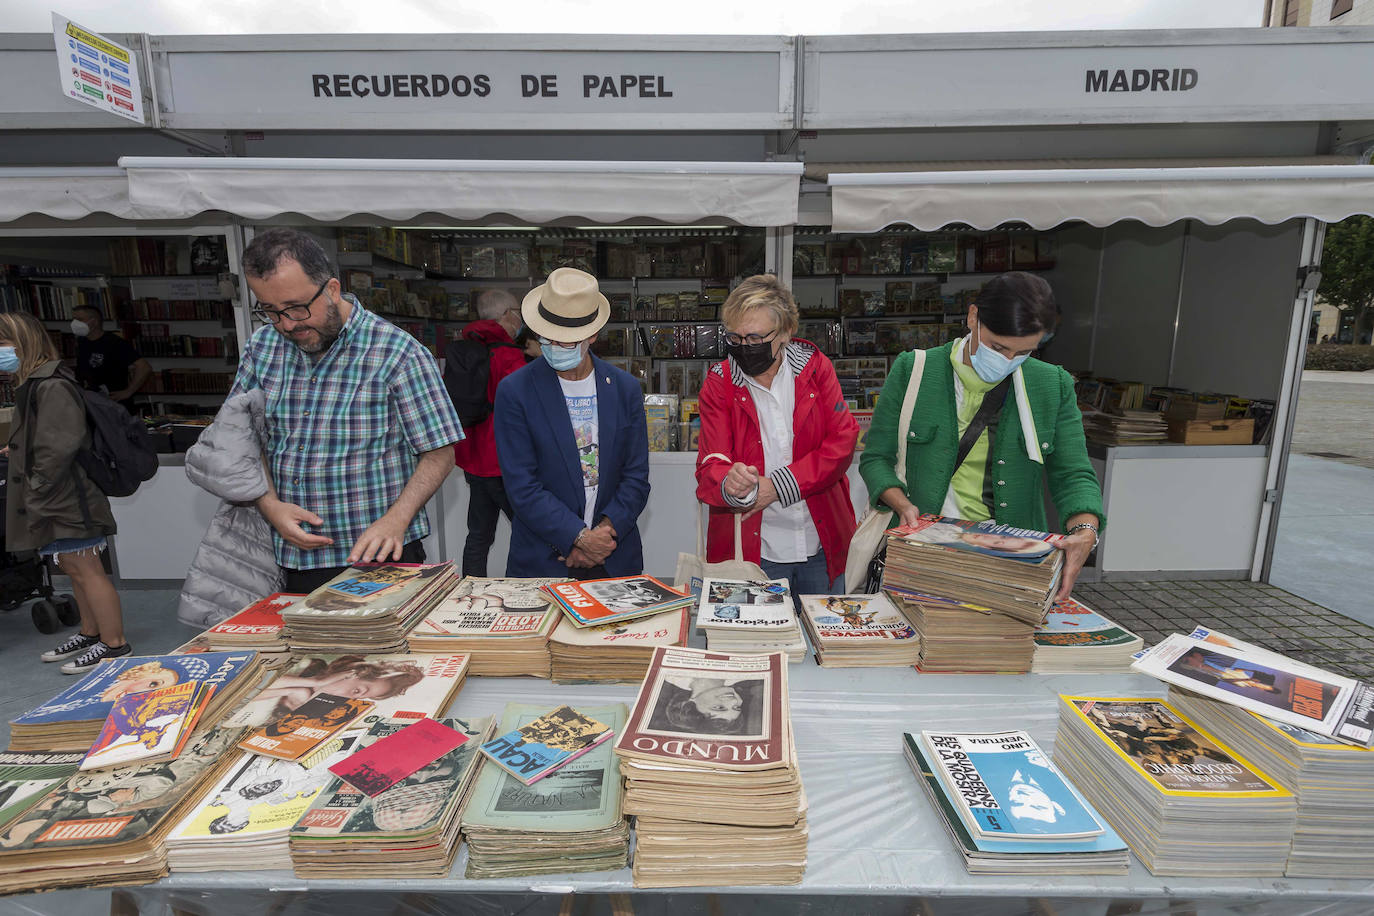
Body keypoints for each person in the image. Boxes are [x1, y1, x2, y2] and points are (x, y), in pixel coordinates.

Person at [230, 228, 464, 594]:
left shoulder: (398, 352)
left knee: (380, 652)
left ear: (333, 290)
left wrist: (395, 520)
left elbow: (440, 453)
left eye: (296, 307)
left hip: (379, 557)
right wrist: (270, 505)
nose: (288, 324)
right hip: (286, 555)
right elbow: (243, 439)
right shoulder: (262, 346)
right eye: (271, 311)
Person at [860, 272, 1104, 599]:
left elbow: (1073, 473)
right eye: (998, 347)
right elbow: (877, 457)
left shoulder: (1051, 385)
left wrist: (1085, 531)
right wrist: (901, 504)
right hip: (922, 554)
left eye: (1023, 353)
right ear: (973, 317)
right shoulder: (915, 370)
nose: (1007, 362)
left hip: (1013, 563)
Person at [695, 275, 860, 594]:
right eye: (736, 338)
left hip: (821, 543)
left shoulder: (815, 369)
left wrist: (779, 486)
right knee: (755, 644)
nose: (744, 348)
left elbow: (842, 442)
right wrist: (730, 481)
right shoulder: (720, 384)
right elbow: (710, 467)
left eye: (755, 338)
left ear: (786, 332)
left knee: (823, 640)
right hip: (753, 553)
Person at [493, 267, 650, 579]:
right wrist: (578, 538)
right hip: (543, 560)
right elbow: (522, 486)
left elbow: (636, 477)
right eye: (545, 337)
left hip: (613, 558)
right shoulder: (515, 391)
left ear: (592, 335)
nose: (551, 346)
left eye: (564, 341)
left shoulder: (623, 388)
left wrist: (603, 536)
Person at [0, 312, 128, 673]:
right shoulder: (36, 383)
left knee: (87, 568)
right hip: (55, 494)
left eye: (2, 344)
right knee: (72, 567)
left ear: (20, 342)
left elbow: (62, 443)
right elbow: (48, 437)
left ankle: (114, 643)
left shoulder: (51, 384)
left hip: (66, 496)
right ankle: (91, 633)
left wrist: (37, 485)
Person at [449, 289, 528, 577]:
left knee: (479, 534)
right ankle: (523, 589)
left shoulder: (464, 349)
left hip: (473, 457)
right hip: (504, 459)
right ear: (507, 314)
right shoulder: (508, 355)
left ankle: (470, 588)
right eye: (518, 313)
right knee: (528, 530)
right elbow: (524, 410)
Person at [70, 304, 152, 414]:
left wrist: (128, 392)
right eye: (74, 319)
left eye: (79, 319)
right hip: (92, 402)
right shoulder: (82, 342)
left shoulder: (114, 342)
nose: (75, 323)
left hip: (114, 404)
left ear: (94, 322)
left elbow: (144, 367)